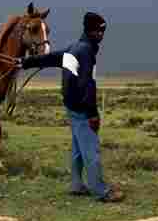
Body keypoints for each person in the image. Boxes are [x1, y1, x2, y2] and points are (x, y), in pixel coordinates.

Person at [21, 11, 124, 203]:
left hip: (71, 106)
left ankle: (77, 184)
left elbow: (51, 58)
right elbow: (87, 84)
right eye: (97, 31)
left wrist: (27, 62)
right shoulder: (85, 51)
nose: (101, 34)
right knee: (91, 149)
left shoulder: (75, 48)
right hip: (81, 108)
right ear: (89, 30)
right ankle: (101, 190)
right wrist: (93, 114)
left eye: (103, 31)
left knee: (78, 147)